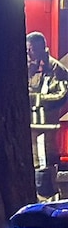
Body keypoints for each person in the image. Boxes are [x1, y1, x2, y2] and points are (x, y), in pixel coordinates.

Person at [27, 31, 68, 199]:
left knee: (45, 169)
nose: (28, 53)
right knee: (33, 166)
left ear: (41, 48)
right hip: (30, 128)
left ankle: (48, 204)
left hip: (46, 129)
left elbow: (61, 94)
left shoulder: (55, 69)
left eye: (31, 49)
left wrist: (34, 99)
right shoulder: (29, 68)